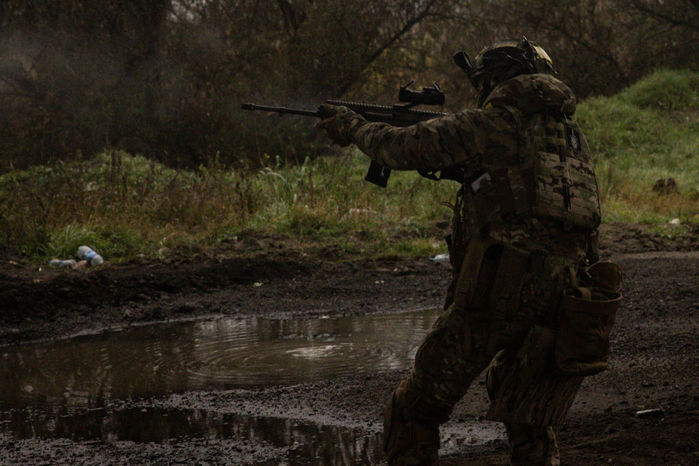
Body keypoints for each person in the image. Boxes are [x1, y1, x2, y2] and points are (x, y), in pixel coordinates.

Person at [317, 38, 621, 466]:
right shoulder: (569, 136)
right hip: (565, 296)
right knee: (527, 414)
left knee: (414, 410)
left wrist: (352, 126)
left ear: (497, 79)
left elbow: (400, 148)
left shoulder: (498, 123)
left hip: (501, 290)